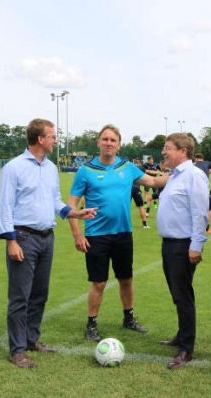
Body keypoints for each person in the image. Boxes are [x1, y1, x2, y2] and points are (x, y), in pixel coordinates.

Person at [0, 118, 97, 368]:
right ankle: (17, 350)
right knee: (20, 297)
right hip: (23, 238)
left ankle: (32, 340)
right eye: (52, 136)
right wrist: (11, 241)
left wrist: (74, 213)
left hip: (46, 238)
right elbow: (5, 207)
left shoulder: (51, 168)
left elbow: (55, 201)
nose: (56, 140)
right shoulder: (14, 167)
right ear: (40, 139)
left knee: (40, 294)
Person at [68, 124, 168, 342]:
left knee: (126, 279)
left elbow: (151, 181)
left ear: (119, 144)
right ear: (98, 142)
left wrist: (182, 172)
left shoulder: (127, 167)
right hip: (96, 235)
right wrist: (77, 234)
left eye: (113, 140)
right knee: (98, 282)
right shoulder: (86, 170)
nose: (108, 143)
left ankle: (128, 318)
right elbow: (72, 204)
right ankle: (91, 324)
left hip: (123, 234)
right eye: (105, 139)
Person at [156, 134, 210, 369]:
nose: (163, 152)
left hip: (183, 245)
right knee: (177, 294)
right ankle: (181, 335)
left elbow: (200, 213)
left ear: (183, 151)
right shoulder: (175, 176)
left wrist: (196, 246)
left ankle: (186, 348)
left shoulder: (194, 176)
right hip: (170, 244)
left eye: (168, 148)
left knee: (183, 295)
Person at [131, 159, 150, 229]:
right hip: (136, 188)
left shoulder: (129, 167)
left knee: (125, 207)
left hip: (128, 187)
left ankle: (121, 225)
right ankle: (145, 225)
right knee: (141, 206)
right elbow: (144, 176)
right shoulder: (141, 168)